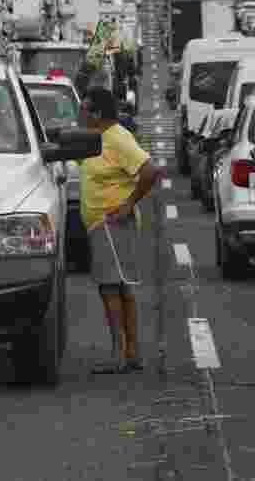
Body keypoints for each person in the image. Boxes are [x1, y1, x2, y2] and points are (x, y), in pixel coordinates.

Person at [78, 87, 160, 374]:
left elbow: (150, 170)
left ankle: (120, 354)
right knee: (118, 287)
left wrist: (128, 204)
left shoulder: (117, 137)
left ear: (98, 113)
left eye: (85, 108)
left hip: (111, 224)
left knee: (111, 288)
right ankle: (130, 352)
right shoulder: (94, 139)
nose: (81, 113)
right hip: (101, 225)